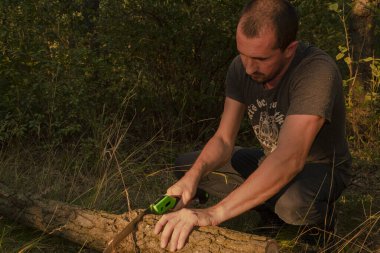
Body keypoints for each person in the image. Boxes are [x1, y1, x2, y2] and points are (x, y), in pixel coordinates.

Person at [154, 0, 352, 251]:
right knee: (188, 164)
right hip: (271, 158)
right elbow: (224, 140)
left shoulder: (316, 71)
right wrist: (192, 178)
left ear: (289, 50)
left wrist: (213, 214)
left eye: (260, 58)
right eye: (243, 54)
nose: (249, 67)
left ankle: (317, 224)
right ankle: (268, 208)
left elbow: (290, 158)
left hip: (320, 168)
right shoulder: (241, 67)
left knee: (292, 203)